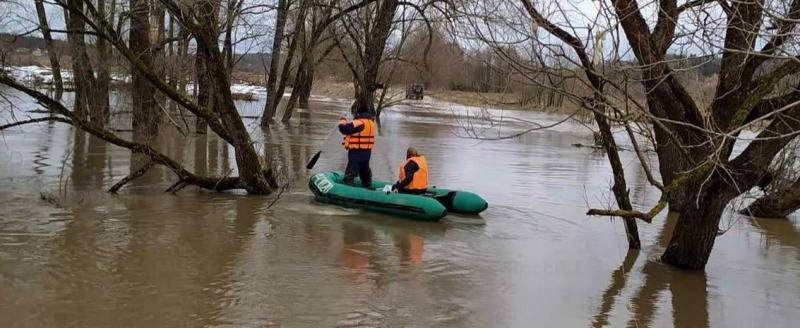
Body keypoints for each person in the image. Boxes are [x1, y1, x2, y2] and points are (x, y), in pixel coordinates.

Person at [338, 104, 375, 188]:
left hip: (356, 152)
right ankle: (368, 185)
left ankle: (348, 188)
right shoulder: (371, 122)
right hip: (367, 153)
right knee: (365, 171)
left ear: (358, 113)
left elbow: (343, 129)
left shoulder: (359, 123)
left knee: (351, 172)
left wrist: (342, 120)